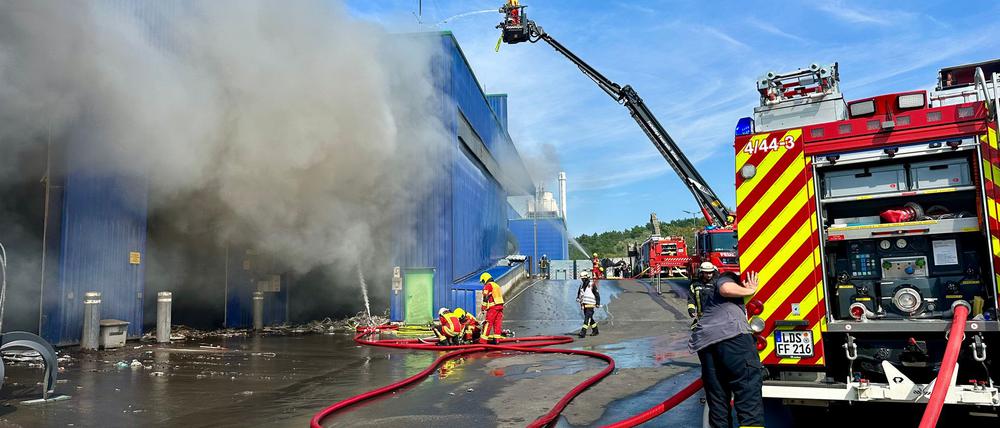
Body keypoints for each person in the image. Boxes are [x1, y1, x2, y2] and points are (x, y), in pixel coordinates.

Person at [688, 262, 764, 428]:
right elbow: (726, 289)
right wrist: (750, 290)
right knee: (748, 390)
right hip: (731, 337)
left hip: (705, 343)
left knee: (718, 398)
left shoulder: (711, 298)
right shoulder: (726, 278)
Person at [480, 272, 505, 344]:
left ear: (485, 279)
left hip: (493, 308)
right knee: (497, 324)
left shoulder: (488, 285)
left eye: (483, 281)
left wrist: (483, 307)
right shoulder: (496, 285)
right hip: (500, 307)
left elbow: (485, 297)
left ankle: (483, 341)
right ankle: (496, 340)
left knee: (488, 323)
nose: (483, 283)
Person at [576, 271, 600, 338]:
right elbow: (579, 293)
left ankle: (583, 332)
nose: (582, 279)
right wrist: (578, 298)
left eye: (583, 278)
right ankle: (595, 330)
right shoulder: (581, 285)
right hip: (584, 304)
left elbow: (597, 294)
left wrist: (598, 303)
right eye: (581, 278)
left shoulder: (592, 284)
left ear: (586, 277)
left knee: (587, 318)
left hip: (590, 304)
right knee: (590, 318)